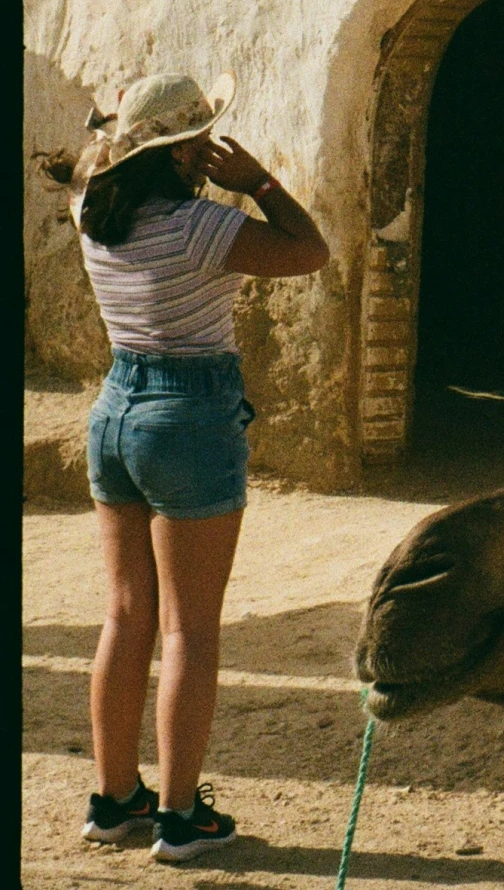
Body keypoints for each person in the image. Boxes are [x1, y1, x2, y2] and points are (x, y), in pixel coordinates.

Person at [62, 72, 329, 862]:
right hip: (189, 414)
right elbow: (308, 252)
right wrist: (260, 183)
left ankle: (114, 802)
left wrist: (136, 147)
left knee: (123, 617)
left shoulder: (92, 210)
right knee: (189, 630)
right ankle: (180, 819)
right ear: (182, 152)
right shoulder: (197, 227)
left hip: (115, 408)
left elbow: (91, 165)